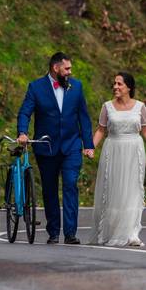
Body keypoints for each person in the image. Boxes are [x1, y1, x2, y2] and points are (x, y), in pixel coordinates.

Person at [17, 52, 95, 244]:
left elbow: (83, 117)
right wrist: (22, 133)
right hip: (47, 146)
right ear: (55, 68)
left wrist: (88, 145)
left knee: (70, 184)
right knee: (49, 189)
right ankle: (53, 232)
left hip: (71, 146)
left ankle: (70, 234)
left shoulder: (76, 86)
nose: (70, 72)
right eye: (67, 68)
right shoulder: (36, 87)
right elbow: (25, 112)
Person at [89, 72, 146, 247]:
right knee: (113, 190)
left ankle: (132, 233)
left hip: (134, 150)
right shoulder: (107, 106)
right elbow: (101, 130)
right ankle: (110, 231)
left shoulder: (140, 107)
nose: (115, 87)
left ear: (129, 87)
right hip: (113, 149)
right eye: (114, 83)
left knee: (132, 191)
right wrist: (90, 147)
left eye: (119, 84)